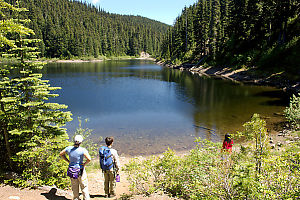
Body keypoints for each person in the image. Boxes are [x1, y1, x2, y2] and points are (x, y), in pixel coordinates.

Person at [60, 135, 91, 200]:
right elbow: (89, 159)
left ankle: (76, 198)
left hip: (71, 169)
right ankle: (86, 198)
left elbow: (61, 154)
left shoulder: (68, 148)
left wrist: (68, 161)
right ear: (81, 142)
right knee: (84, 186)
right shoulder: (82, 150)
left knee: (74, 186)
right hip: (80, 169)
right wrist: (84, 164)